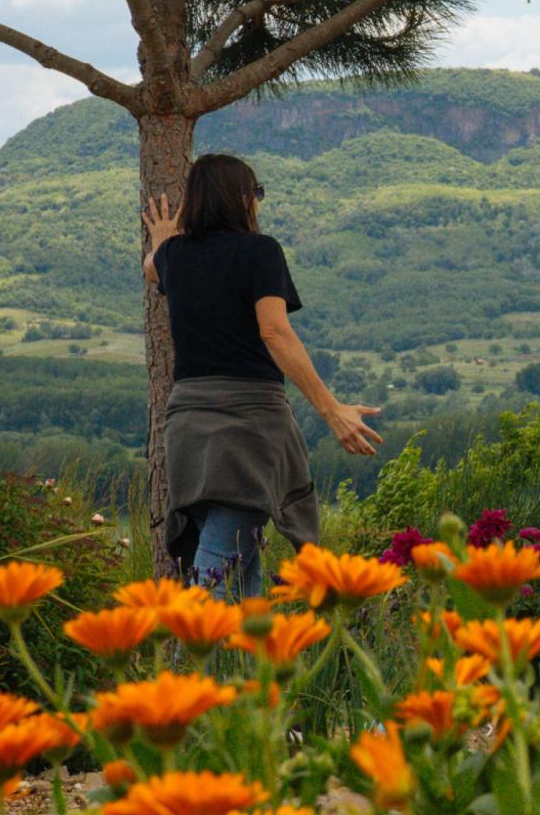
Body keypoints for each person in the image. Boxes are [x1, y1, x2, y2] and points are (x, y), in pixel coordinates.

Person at [142, 154, 382, 598]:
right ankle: (187, 643)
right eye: (257, 193)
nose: (258, 202)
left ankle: (247, 645)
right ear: (241, 199)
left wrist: (161, 239)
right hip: (247, 429)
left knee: (242, 570)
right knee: (218, 569)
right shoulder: (260, 251)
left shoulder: (174, 256)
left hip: (189, 432)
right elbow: (274, 331)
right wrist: (332, 411)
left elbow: (150, 266)